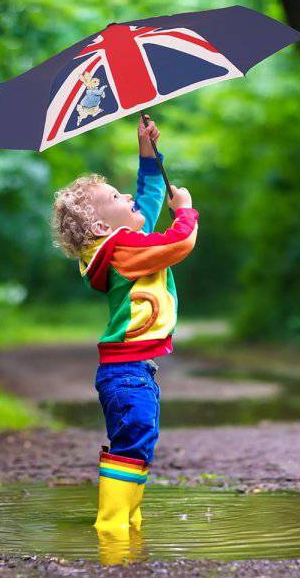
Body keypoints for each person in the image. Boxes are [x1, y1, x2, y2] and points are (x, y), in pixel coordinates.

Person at [51, 115, 198, 541]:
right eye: (116, 196)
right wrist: (185, 211)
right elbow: (177, 243)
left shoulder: (122, 240)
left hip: (132, 371)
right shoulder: (122, 250)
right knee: (134, 440)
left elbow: (149, 197)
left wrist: (148, 152)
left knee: (138, 438)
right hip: (127, 372)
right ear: (101, 227)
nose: (128, 194)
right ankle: (112, 525)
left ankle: (129, 521)